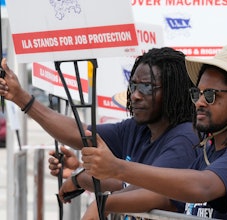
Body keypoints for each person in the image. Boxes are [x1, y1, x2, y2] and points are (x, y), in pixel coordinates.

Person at [81, 44, 227, 219]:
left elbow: (202, 187)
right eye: (196, 93)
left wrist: (118, 168)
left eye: (210, 95)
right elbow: (168, 197)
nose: (199, 102)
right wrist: (104, 203)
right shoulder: (209, 151)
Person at [0, 47, 199, 218]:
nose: (136, 95)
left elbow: (157, 191)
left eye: (147, 87)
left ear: (174, 90)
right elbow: (79, 134)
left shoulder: (184, 138)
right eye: (134, 85)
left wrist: (103, 204)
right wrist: (22, 98)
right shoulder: (136, 129)